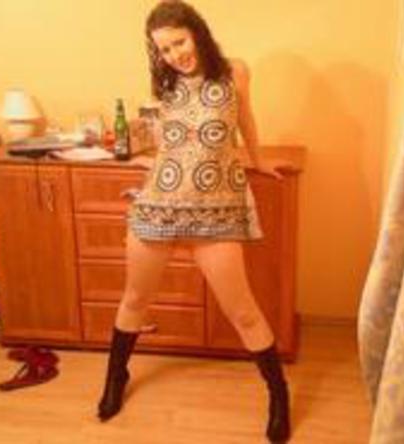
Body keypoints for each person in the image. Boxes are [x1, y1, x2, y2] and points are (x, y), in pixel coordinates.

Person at [97, 1, 291, 442]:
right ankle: (115, 378)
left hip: (215, 209)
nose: (174, 55)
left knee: (242, 310)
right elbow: (170, 142)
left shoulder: (235, 71)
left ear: (197, 32)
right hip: (160, 203)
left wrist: (259, 161)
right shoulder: (164, 83)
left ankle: (278, 394)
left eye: (179, 42)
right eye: (164, 49)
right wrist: (148, 167)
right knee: (135, 299)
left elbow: (245, 120)